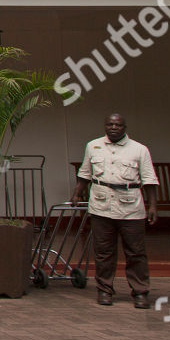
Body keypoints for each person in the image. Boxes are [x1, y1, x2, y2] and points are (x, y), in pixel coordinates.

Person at [71, 113, 158, 308]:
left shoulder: (139, 149)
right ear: (104, 126)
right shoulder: (93, 146)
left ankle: (140, 292)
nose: (113, 127)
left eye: (118, 125)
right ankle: (104, 290)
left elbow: (149, 180)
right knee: (103, 251)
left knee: (136, 252)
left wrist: (152, 205)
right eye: (110, 124)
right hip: (101, 205)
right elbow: (85, 173)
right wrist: (77, 194)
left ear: (124, 127)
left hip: (131, 207)